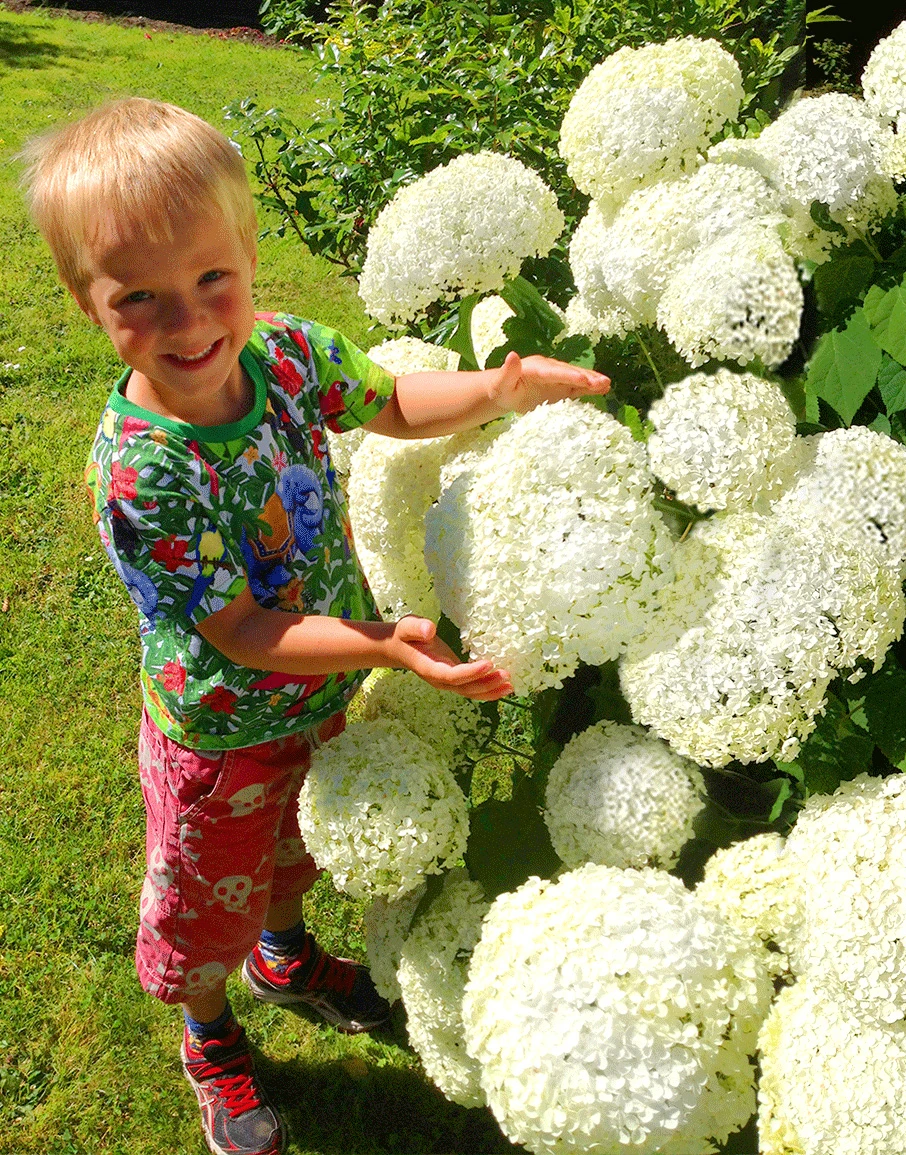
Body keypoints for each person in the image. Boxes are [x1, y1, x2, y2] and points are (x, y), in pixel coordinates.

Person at [19, 98, 610, 1155]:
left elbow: (386, 403)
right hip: (223, 732)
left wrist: (497, 387)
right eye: (140, 298)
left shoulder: (287, 357)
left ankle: (285, 955)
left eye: (213, 280)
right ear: (86, 302)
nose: (190, 321)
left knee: (298, 851)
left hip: (320, 696)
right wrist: (383, 644)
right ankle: (211, 1032)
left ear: (247, 256)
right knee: (209, 902)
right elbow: (242, 630)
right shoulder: (141, 473)